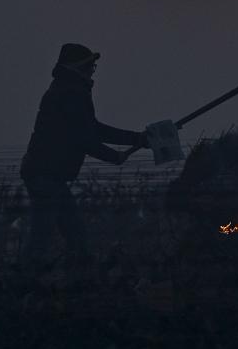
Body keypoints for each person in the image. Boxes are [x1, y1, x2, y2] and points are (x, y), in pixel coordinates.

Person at [19, 43, 148, 263]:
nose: (92, 70)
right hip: (46, 176)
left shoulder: (66, 89)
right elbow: (84, 137)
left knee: (74, 236)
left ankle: (76, 282)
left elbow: (90, 129)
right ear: (77, 68)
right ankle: (23, 284)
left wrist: (136, 139)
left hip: (49, 176)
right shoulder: (71, 93)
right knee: (45, 238)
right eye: (90, 65)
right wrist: (115, 154)